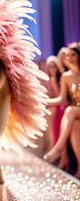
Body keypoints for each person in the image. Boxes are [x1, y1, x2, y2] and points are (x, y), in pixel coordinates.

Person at [44, 43, 80, 178]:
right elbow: (62, 99)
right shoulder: (66, 76)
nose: (69, 57)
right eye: (68, 55)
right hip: (75, 113)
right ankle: (79, 170)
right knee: (75, 125)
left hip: (74, 111)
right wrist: (43, 102)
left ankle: (59, 147)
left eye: (73, 54)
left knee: (69, 111)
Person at [44, 56, 61, 150]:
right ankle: (49, 144)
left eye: (54, 66)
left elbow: (60, 96)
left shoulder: (58, 78)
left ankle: (53, 145)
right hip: (52, 104)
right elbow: (47, 95)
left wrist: (54, 83)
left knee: (50, 112)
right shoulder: (48, 80)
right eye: (50, 66)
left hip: (59, 105)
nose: (52, 69)